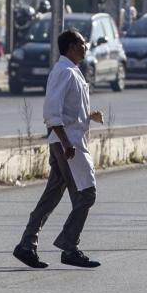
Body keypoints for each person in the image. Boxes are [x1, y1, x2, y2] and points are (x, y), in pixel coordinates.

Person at [13, 28, 104, 269]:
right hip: (68, 142)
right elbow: (52, 111)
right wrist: (66, 144)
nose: (86, 47)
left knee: (52, 194)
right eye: (82, 43)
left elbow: (69, 109)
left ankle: (26, 245)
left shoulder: (71, 71)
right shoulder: (64, 72)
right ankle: (69, 245)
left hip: (68, 139)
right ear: (72, 46)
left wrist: (89, 115)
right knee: (87, 193)